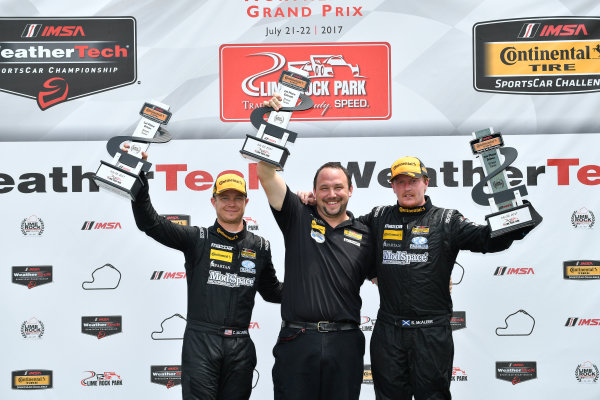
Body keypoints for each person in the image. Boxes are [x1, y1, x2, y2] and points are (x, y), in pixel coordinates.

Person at [357, 156, 542, 400]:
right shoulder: (379, 216)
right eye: (400, 182)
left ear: (426, 182)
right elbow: (346, 235)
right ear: (392, 186)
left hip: (431, 333)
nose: (407, 187)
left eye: (413, 181)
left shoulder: (447, 219)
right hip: (389, 332)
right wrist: (372, 272)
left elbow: (486, 239)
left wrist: (514, 220)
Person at [131, 159, 282, 400]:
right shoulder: (197, 238)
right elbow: (151, 223)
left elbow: (273, 292)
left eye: (237, 198)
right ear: (214, 201)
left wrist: (315, 285)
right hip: (201, 343)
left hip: (241, 346)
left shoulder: (260, 246)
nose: (231, 204)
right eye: (224, 197)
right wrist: (138, 181)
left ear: (246, 202)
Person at [257, 159, 375, 400]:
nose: (331, 194)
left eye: (338, 187)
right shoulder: (297, 214)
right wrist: (276, 125)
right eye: (324, 188)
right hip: (298, 340)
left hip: (345, 344)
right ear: (314, 192)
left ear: (350, 190)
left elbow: (393, 278)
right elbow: (265, 173)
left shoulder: (365, 234)